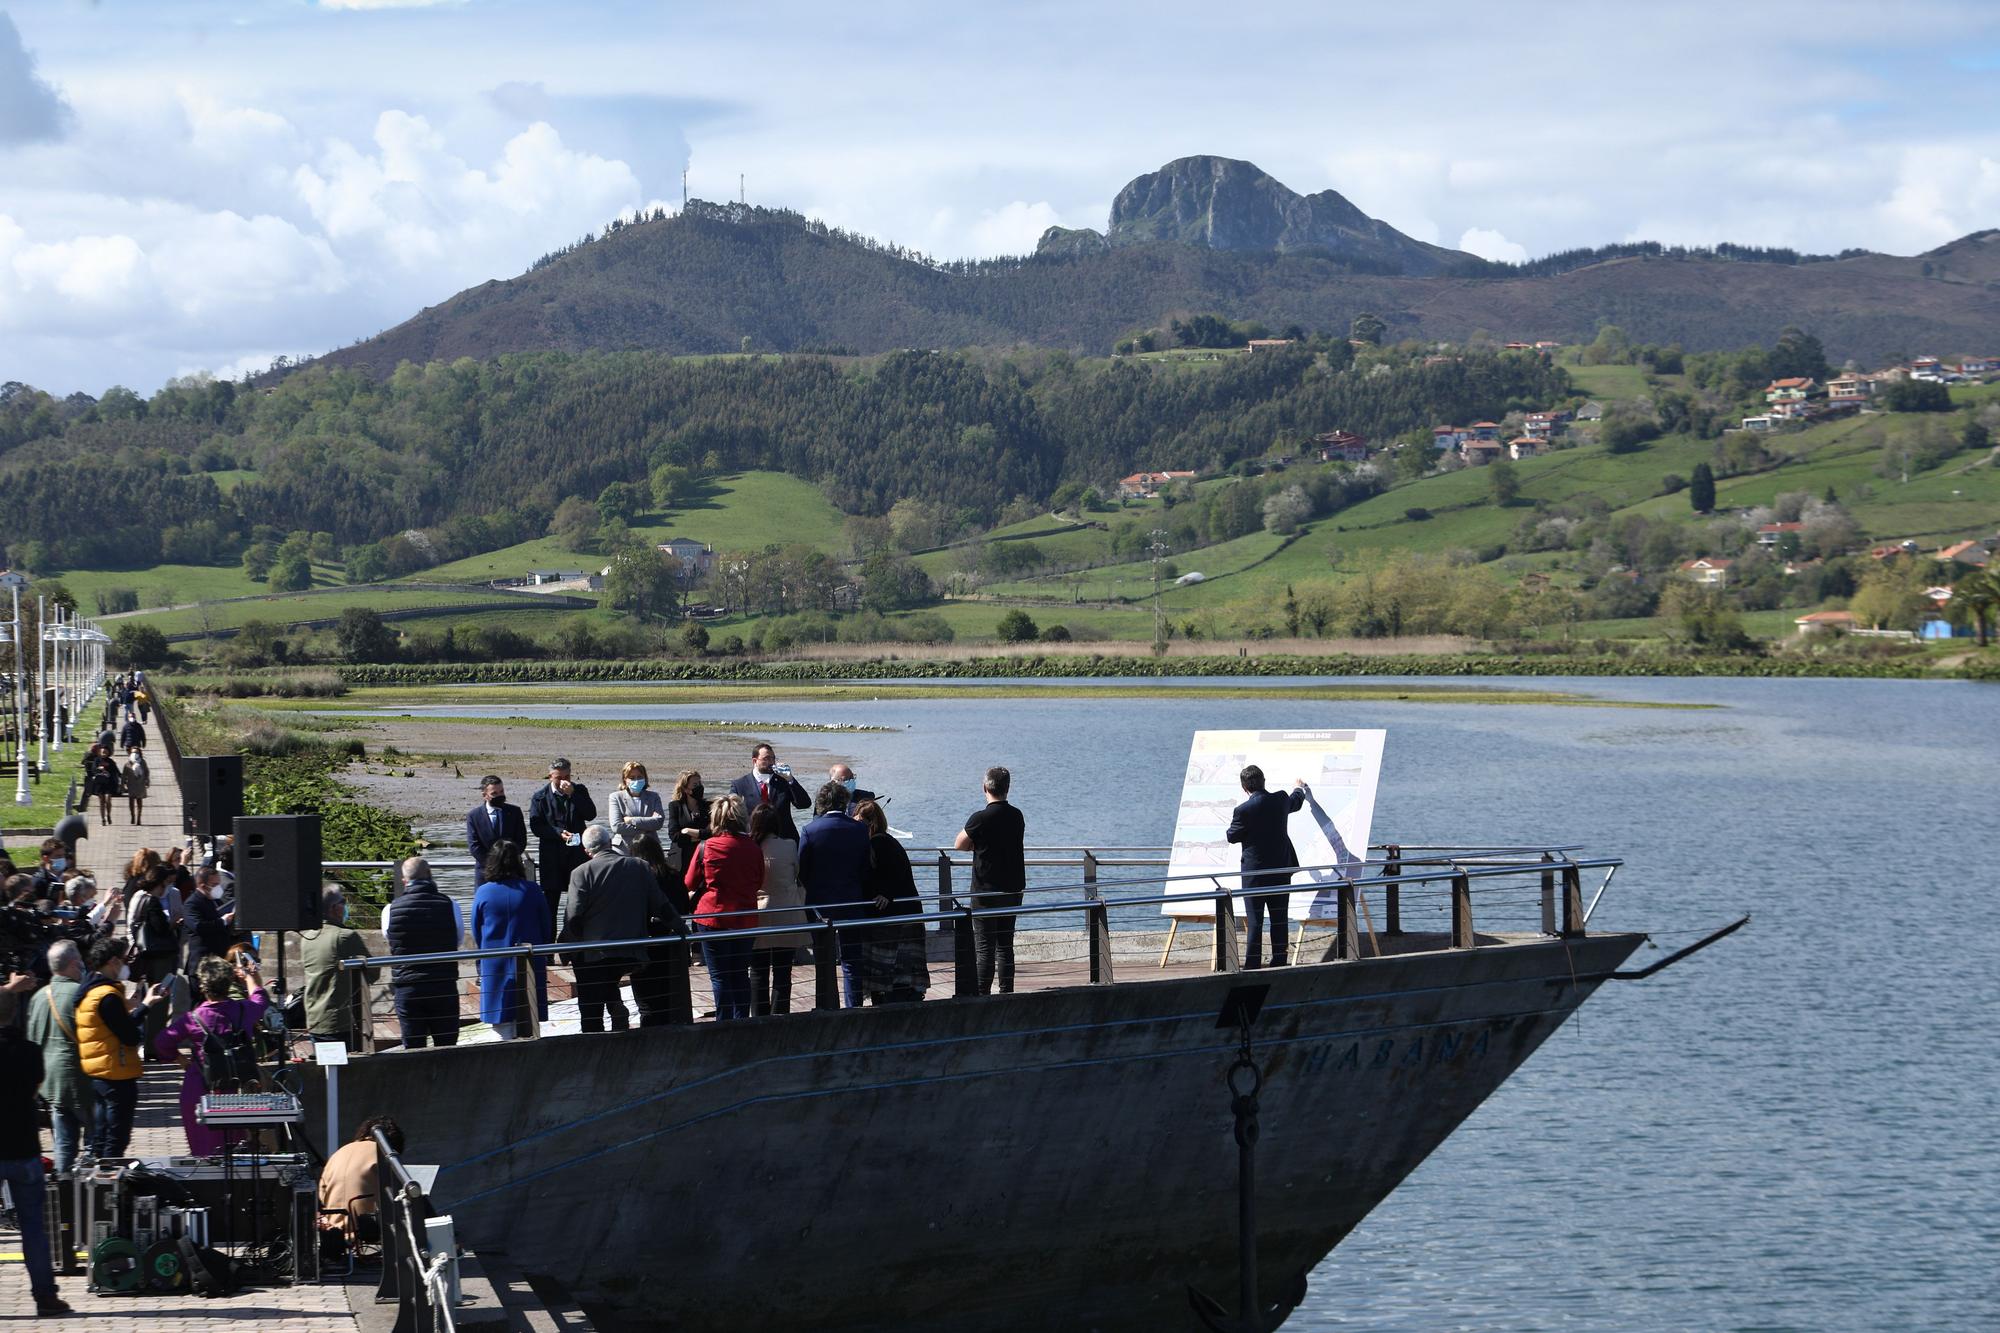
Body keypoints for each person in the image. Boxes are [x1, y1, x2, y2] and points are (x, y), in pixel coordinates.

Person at [0, 987, 71, 1316]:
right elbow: (35, 1088)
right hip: (23, 1146)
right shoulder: (29, 1051)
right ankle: (45, 1296)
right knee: (33, 1226)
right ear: (15, 1013)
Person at [153, 955, 269, 1156]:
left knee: (205, 1154)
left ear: (203, 987)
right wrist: (249, 976)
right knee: (235, 1155)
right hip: (237, 1090)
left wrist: (181, 1060)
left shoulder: (193, 1018)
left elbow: (162, 1042)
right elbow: (260, 998)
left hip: (200, 1089)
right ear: (229, 982)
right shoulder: (244, 1010)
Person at [564, 825, 674, 1033]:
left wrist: (564, 948)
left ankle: (595, 1040)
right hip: (632, 949)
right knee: (610, 975)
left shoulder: (580, 872)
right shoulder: (640, 866)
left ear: (587, 851)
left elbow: (573, 917)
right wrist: (681, 930)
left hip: (596, 953)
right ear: (609, 843)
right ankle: (616, 1009)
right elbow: (661, 905)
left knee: (590, 1005)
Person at [77, 936, 168, 1159]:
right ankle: (108, 1181)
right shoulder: (107, 996)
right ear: (114, 962)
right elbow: (127, 1035)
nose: (128, 966)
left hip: (99, 1072)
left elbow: (112, 1026)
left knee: (102, 1133)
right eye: (126, 960)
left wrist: (135, 1008)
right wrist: (145, 1006)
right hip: (115, 1073)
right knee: (115, 1138)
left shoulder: (90, 988)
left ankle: (98, 1176)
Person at [797, 779, 875, 1006]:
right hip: (851, 899)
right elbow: (865, 866)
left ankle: (826, 1004)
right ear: (845, 802)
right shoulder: (859, 829)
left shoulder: (810, 830)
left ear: (821, 802)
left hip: (820, 903)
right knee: (852, 959)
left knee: (824, 958)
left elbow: (803, 868)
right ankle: (854, 1004)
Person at [682, 795, 760, 1020]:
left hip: (712, 917)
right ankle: (741, 1020)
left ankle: (722, 1023)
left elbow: (688, 883)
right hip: (744, 917)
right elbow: (758, 881)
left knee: (719, 976)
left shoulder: (706, 846)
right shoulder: (753, 847)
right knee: (740, 974)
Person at [1224, 764, 1307, 970]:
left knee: (1255, 920)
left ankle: (1253, 964)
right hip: (1280, 868)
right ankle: (1279, 959)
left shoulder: (1243, 810)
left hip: (1255, 873)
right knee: (1279, 916)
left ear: (1244, 788)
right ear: (1264, 781)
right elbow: (1295, 802)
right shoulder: (1280, 799)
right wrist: (1300, 788)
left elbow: (1231, 836)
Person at [955, 766, 1026, 996]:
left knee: (985, 948)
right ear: (1008, 788)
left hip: (985, 891)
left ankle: (982, 994)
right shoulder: (1017, 816)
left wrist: (977, 844)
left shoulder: (980, 818)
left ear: (985, 787)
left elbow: (959, 844)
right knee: (1005, 946)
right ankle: (1007, 992)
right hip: (1012, 889)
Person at [469, 841, 549, 1041]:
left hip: (495, 963)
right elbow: (546, 928)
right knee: (529, 1022)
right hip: (529, 962)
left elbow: (476, 931)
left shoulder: (484, 892)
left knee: (501, 1027)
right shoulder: (532, 890)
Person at [381, 858, 464, 1050]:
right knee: (447, 1047)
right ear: (430, 875)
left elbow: (391, 939)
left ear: (404, 880)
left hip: (408, 987)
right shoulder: (451, 905)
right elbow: (458, 940)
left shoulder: (390, 909)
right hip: (443, 985)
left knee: (413, 1049)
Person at [24, 940, 90, 1174]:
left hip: (51, 1084)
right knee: (94, 1145)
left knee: (63, 1145)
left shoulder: (38, 997)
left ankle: (65, 1197)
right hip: (83, 1080)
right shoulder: (81, 994)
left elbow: (32, 1042)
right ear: (74, 964)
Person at [856, 799, 928, 1005]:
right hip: (907, 910)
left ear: (869, 824)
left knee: (890, 961)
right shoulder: (887, 840)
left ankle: (891, 997)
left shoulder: (879, 843)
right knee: (904, 964)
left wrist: (885, 893)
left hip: (895, 915)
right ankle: (904, 994)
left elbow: (892, 873)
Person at [749, 805, 809, 1016]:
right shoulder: (789, 845)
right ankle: (780, 1018)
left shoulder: (750, 847)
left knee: (758, 971)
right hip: (787, 911)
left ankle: (758, 1019)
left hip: (758, 913)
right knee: (783, 972)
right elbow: (797, 872)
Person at [626, 832, 686, 1027]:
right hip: (671, 945)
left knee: (646, 1004)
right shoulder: (674, 875)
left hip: (644, 944)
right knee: (669, 999)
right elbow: (684, 907)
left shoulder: (636, 880)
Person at [301, 887, 371, 1048]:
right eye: (343, 902)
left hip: (314, 1018)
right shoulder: (345, 936)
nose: (346, 906)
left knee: (326, 1069)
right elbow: (372, 972)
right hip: (340, 1022)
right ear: (334, 909)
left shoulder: (307, 936)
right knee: (345, 1071)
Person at [528, 758, 596, 925]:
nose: (564, 781)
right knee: (550, 905)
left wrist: (573, 794)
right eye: (559, 778)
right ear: (550, 776)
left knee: (577, 904)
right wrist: (558, 833)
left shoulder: (579, 791)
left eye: (567, 776)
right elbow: (536, 826)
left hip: (576, 857)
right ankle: (549, 948)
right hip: (552, 859)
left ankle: (574, 946)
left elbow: (590, 814)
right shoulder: (540, 798)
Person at [318, 1114, 401, 1245]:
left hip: (334, 1234)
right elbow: (397, 1193)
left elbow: (322, 1195)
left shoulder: (338, 1154)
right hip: (368, 1233)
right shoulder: (383, 1154)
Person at [729, 743, 810, 842]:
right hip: (753, 842)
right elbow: (731, 816)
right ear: (755, 761)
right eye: (766, 759)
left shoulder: (783, 782)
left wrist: (790, 780)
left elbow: (804, 804)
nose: (771, 762)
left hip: (784, 841)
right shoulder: (740, 785)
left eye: (773, 758)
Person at [465, 775, 526, 873]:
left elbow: (521, 840)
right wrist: (492, 865)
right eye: (494, 793)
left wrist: (509, 862)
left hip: (512, 870)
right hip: (485, 870)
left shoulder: (515, 812)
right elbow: (474, 846)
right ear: (484, 795)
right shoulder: (474, 816)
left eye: (501, 791)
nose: (499, 796)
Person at [182, 864, 235, 978]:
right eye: (214, 884)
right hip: (202, 967)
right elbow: (199, 926)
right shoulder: (192, 904)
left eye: (218, 883)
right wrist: (223, 921)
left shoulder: (215, 900)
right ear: (203, 886)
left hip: (218, 964)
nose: (218, 887)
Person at [608, 761, 666, 851]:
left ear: (645, 778)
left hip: (650, 848)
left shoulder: (654, 797)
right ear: (625, 780)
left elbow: (658, 822)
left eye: (639, 777)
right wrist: (647, 829)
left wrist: (632, 820)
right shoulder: (616, 797)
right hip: (624, 849)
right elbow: (616, 826)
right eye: (632, 778)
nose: (636, 780)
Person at [666, 770, 709, 885]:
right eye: (695, 785)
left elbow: (711, 832)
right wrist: (699, 837)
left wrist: (689, 831)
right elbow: (674, 835)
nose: (699, 787)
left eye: (700, 783)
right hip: (681, 857)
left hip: (702, 855)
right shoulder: (675, 806)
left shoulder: (708, 806)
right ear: (685, 789)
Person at [88, 744, 121, 826]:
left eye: (105, 752)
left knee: (108, 800)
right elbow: (93, 770)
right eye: (103, 752)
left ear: (108, 753)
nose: (104, 753)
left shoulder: (111, 761)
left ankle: (108, 814)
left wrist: (122, 779)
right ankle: (103, 819)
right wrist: (99, 769)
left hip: (109, 783)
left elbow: (116, 771)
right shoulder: (97, 760)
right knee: (101, 802)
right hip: (100, 783)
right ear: (100, 752)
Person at [121, 750, 149, 826]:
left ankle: (139, 818)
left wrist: (147, 781)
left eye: (136, 752)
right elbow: (123, 775)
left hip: (140, 784)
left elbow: (146, 772)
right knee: (131, 801)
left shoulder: (142, 762)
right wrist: (122, 785)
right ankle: (133, 815)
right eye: (133, 752)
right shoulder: (127, 764)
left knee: (139, 801)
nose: (135, 754)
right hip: (131, 785)